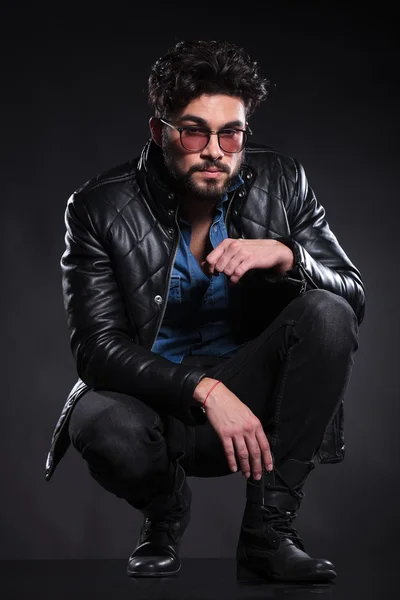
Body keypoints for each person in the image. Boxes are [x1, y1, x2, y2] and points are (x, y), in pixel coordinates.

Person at [45, 40, 364, 583]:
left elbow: (352, 297)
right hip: (155, 405)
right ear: (160, 131)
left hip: (256, 401)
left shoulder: (284, 182)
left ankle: (269, 534)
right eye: (194, 131)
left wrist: (290, 256)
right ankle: (163, 515)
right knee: (98, 422)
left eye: (231, 133)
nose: (215, 150)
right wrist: (204, 389)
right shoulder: (99, 206)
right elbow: (95, 350)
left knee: (327, 313)